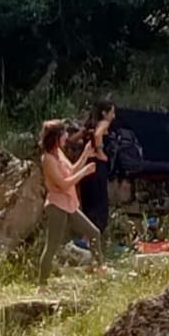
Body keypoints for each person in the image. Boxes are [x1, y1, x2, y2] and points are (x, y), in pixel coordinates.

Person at [37, 119, 103, 287]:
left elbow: (71, 171)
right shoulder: (48, 159)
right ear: (56, 137)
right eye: (64, 134)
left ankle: (100, 269)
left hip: (69, 204)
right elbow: (64, 183)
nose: (67, 137)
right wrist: (85, 172)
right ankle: (42, 285)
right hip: (57, 206)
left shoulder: (59, 154)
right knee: (51, 246)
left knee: (94, 233)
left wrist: (85, 155)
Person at [77, 99, 116, 237]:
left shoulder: (88, 126)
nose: (114, 116)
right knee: (100, 201)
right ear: (104, 113)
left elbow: (76, 137)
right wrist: (100, 151)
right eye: (112, 112)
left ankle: (86, 235)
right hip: (98, 166)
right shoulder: (104, 123)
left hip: (87, 165)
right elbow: (98, 134)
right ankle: (96, 234)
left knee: (89, 200)